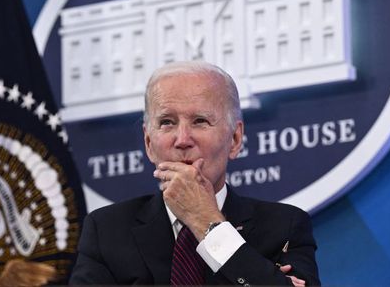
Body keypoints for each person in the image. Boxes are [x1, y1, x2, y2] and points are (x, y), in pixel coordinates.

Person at [69, 61, 320, 286]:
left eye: (200, 121)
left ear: (235, 139)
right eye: (167, 122)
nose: (182, 140)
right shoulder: (107, 231)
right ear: (148, 143)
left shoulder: (283, 227)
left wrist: (207, 222)